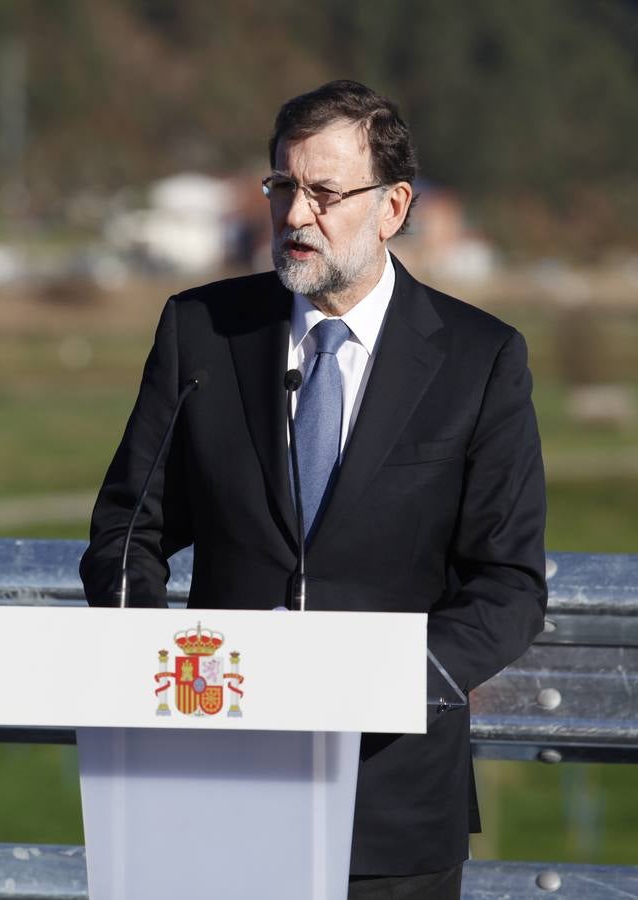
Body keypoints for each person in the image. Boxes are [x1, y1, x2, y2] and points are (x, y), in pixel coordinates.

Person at [80, 79, 547, 899]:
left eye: (326, 193)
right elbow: (129, 528)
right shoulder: (201, 333)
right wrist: (151, 673)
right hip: (218, 788)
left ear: (393, 206)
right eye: (283, 186)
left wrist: (392, 685)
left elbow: (508, 585)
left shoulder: (481, 361)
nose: (296, 216)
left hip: (392, 806)